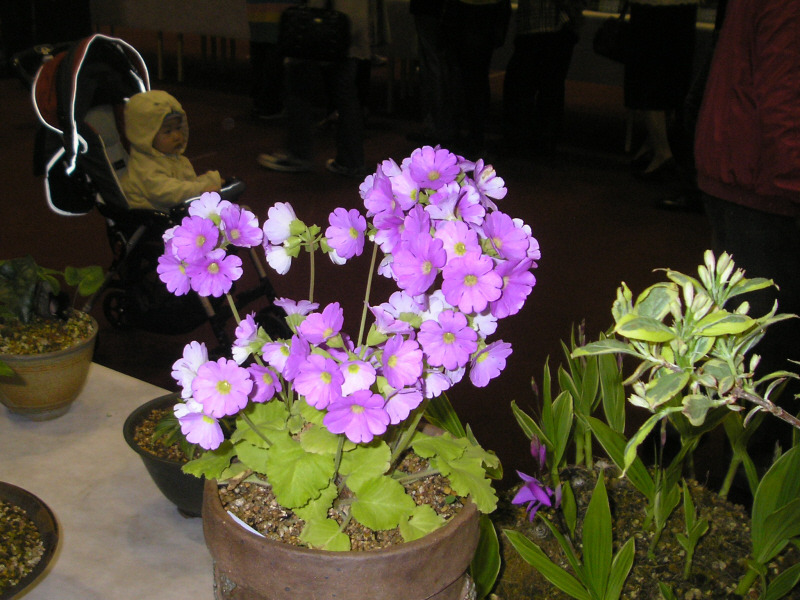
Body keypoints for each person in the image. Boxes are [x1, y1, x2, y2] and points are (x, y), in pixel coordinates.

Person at [694, 0, 800, 459]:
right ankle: (750, 486)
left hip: (747, 172)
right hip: (763, 184)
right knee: (766, 354)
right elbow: (786, 101)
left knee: (742, 340)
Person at [258, 0, 377, 178]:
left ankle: (298, 155)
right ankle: (352, 160)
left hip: (314, 27)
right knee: (346, 97)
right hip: (348, 28)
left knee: (298, 88)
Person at [501, 0, 585, 158]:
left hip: (543, 26)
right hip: (554, 26)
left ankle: (524, 142)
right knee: (549, 91)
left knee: (523, 89)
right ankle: (542, 144)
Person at [625, 0, 698, 181]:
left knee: (647, 81)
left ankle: (661, 152)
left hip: (652, 10)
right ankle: (653, 145)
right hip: (684, 11)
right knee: (670, 80)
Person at [121, 90, 221, 211]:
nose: (176, 136)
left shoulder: (177, 160)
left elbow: (187, 184)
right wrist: (200, 190)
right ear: (146, 136)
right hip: (150, 216)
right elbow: (168, 192)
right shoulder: (144, 166)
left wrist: (212, 181)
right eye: (168, 131)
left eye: (178, 128)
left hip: (175, 212)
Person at [442, 0, 512, 156]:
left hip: (467, 9)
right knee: (476, 78)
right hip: (487, 10)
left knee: (467, 78)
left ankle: (469, 134)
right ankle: (475, 134)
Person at [407, 0, 454, 146]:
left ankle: (437, 127)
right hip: (440, 9)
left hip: (429, 8)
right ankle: (443, 125)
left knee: (432, 65)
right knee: (439, 64)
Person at [247, 0, 299, 120]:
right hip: (281, 19)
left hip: (256, 18)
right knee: (273, 65)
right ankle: (270, 106)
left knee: (260, 63)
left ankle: (260, 104)